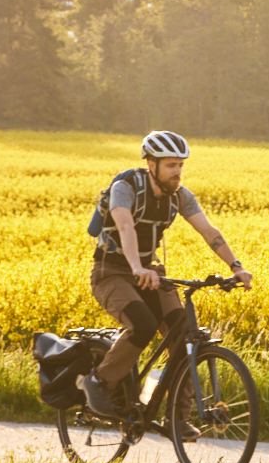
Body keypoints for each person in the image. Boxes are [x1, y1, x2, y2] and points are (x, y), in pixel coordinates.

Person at [86, 130, 252, 418]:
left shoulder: (179, 196)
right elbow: (124, 226)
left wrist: (236, 267)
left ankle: (178, 417)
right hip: (111, 271)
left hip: (150, 272)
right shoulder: (125, 187)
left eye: (181, 165)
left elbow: (209, 231)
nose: (177, 172)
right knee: (142, 325)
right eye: (171, 165)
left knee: (185, 337)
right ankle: (99, 381)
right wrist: (137, 266)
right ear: (152, 164)